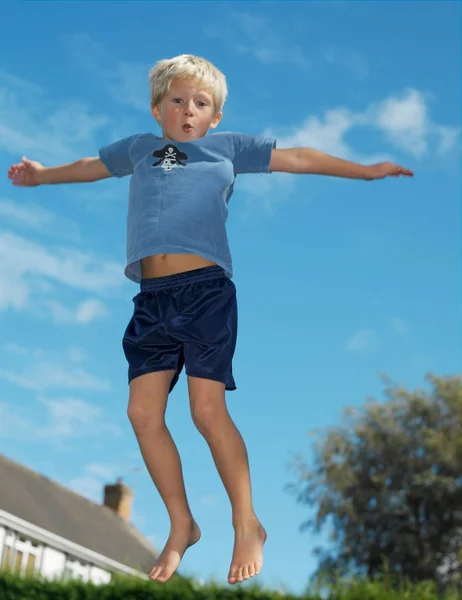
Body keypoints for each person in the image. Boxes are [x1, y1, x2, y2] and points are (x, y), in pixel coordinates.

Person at [7, 54, 413, 586]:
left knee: (205, 410)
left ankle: (247, 522)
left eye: (201, 103)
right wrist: (41, 177)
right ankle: (183, 523)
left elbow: (300, 157)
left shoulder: (227, 148)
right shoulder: (138, 149)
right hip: (151, 299)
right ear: (158, 108)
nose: (188, 110)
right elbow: (90, 166)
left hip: (205, 293)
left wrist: (364, 171)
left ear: (215, 116)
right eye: (177, 100)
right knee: (142, 414)